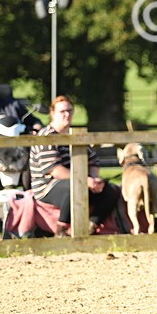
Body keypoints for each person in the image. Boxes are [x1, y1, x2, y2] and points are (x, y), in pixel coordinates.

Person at [29, 95, 121, 235]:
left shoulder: (75, 135)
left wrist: (95, 178)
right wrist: (85, 180)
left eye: (70, 111)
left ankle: (91, 226)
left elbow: (93, 160)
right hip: (47, 186)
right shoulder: (46, 136)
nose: (67, 115)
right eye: (63, 111)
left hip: (79, 181)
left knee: (110, 190)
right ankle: (61, 230)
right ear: (53, 113)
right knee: (75, 188)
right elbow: (55, 170)